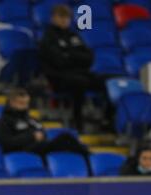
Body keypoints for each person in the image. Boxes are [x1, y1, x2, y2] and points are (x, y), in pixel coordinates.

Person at [39, 4, 108, 132]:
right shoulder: (48, 38)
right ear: (53, 18)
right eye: (61, 17)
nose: (64, 20)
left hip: (79, 73)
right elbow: (58, 61)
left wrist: (69, 54)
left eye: (67, 17)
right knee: (80, 82)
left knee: (105, 81)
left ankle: (106, 120)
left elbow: (89, 58)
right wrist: (75, 57)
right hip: (57, 78)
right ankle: (77, 120)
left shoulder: (73, 35)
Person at [0, 88, 89, 160]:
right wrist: (32, 137)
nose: (25, 107)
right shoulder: (4, 121)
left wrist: (40, 136)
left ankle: (88, 158)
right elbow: (7, 142)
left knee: (68, 139)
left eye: (26, 103)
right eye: (21, 103)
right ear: (11, 103)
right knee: (65, 139)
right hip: (23, 150)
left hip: (39, 147)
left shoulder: (31, 120)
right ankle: (89, 157)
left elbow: (42, 133)